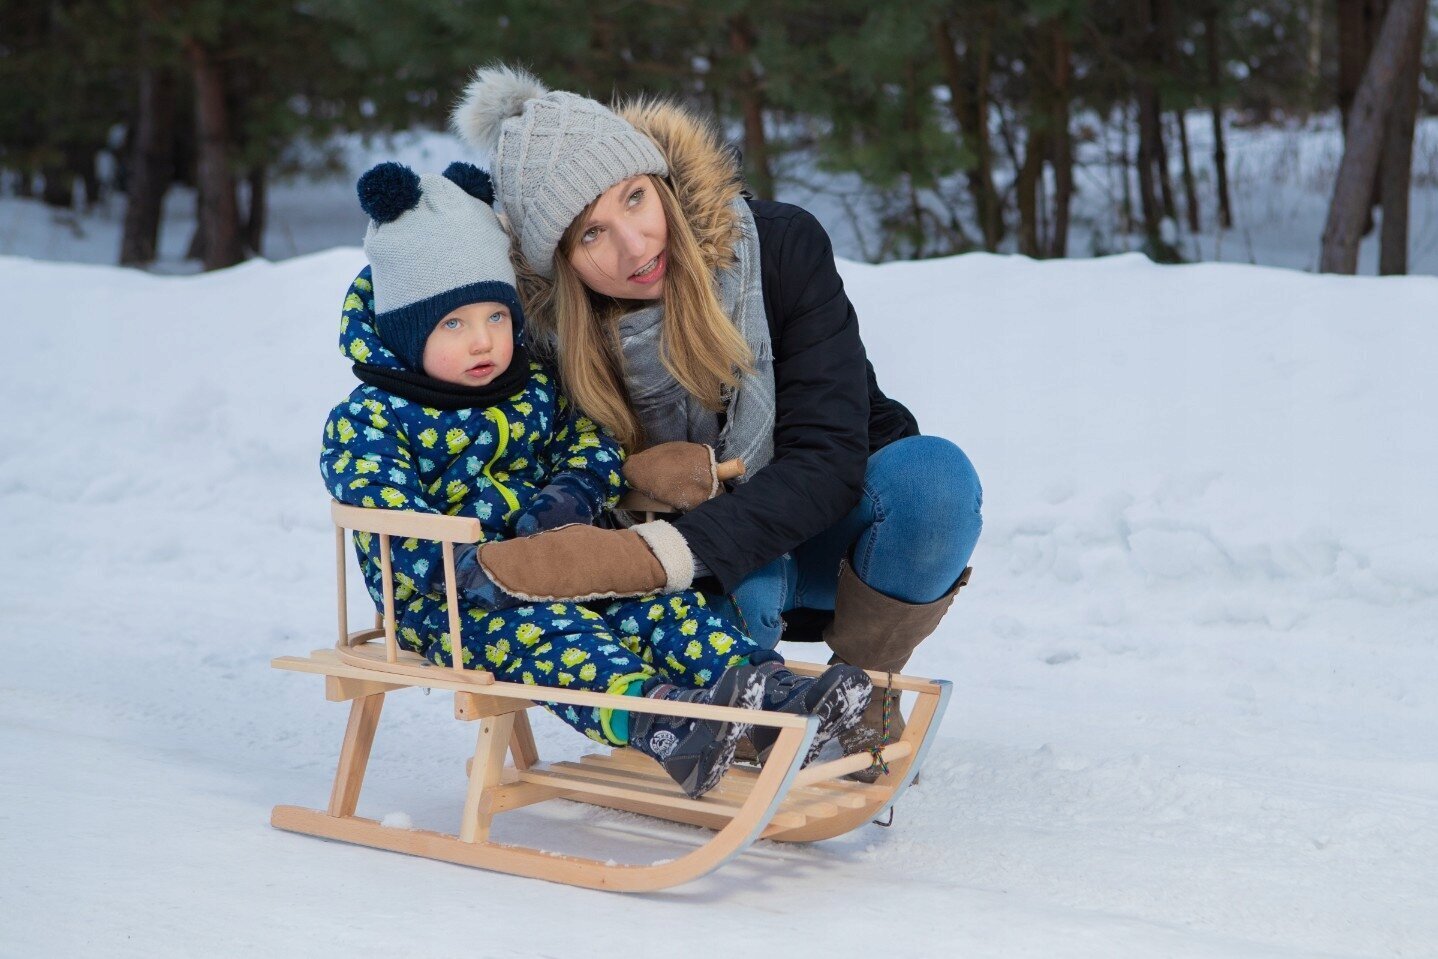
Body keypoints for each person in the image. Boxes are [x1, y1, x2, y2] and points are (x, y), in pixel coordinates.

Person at [440, 65, 985, 778]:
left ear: (659, 179)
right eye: (592, 235)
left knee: (935, 482)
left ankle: (854, 700)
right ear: (561, 265)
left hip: (818, 529)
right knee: (746, 587)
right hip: (686, 570)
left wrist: (671, 549)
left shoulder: (782, 247)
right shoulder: (547, 336)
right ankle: (730, 724)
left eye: (635, 198)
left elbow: (826, 460)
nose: (635, 247)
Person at [320, 159, 872, 798]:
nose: (483, 343)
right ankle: (657, 720)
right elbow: (393, 530)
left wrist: (569, 496)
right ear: (407, 333)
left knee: (658, 608)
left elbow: (591, 443)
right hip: (451, 601)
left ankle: (769, 690)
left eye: (496, 318)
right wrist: (479, 565)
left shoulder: (529, 391)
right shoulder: (370, 422)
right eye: (454, 325)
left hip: (559, 564)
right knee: (558, 635)